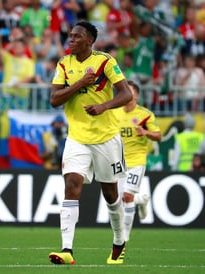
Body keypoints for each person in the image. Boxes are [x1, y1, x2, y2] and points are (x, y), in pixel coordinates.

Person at [48, 21, 132, 265]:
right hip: (77, 137)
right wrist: (81, 83)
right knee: (71, 184)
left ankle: (119, 241)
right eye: (70, 36)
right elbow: (54, 99)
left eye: (77, 36)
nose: (71, 40)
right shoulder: (64, 63)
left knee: (110, 194)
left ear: (89, 41)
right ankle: (67, 250)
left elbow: (125, 93)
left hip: (106, 138)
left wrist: (104, 106)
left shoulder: (105, 61)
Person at [113, 80, 162, 242]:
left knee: (127, 196)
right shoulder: (115, 113)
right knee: (120, 199)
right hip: (119, 161)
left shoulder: (145, 114)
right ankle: (141, 200)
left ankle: (125, 235)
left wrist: (145, 132)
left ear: (136, 96)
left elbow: (159, 136)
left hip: (137, 160)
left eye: (130, 91)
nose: (127, 93)